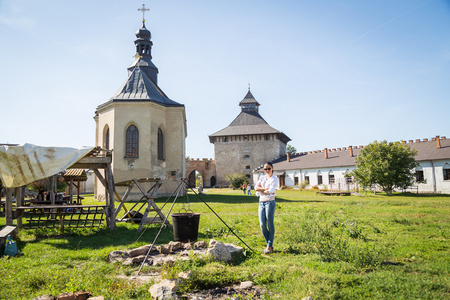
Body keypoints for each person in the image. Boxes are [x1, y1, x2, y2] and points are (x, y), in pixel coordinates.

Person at [255, 162, 279, 254]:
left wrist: (262, 189)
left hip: (270, 202)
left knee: (270, 223)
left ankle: (269, 245)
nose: (267, 171)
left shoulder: (275, 179)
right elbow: (256, 188)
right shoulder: (262, 178)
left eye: (268, 168)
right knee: (262, 224)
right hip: (261, 202)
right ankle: (269, 243)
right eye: (265, 169)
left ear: (272, 168)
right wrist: (265, 190)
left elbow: (271, 191)